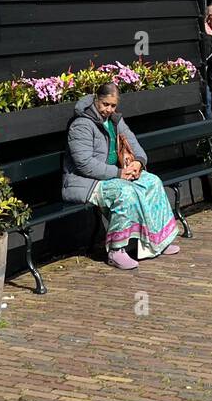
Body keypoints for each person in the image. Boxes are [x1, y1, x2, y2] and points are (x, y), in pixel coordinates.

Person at [62, 82, 182, 269]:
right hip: (86, 182)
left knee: (152, 181)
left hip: (116, 173)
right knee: (124, 193)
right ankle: (116, 250)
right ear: (96, 100)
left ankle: (158, 240)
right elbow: (84, 164)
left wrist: (138, 163)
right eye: (105, 104)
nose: (108, 109)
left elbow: (133, 143)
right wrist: (119, 173)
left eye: (113, 105)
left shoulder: (116, 121)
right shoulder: (81, 125)